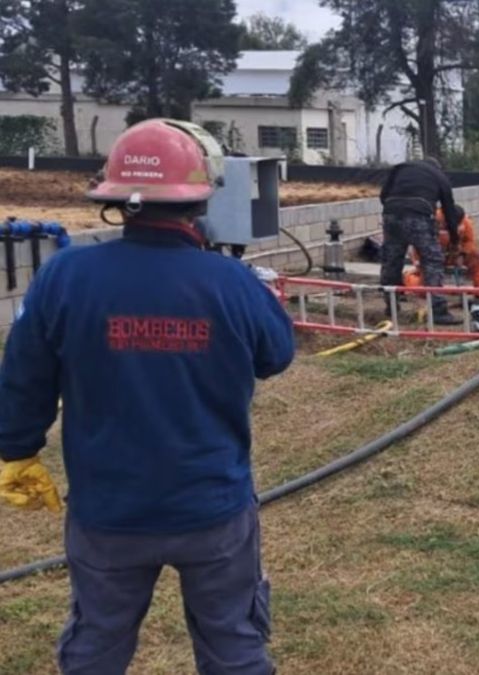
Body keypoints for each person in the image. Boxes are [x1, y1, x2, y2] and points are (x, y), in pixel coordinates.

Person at [0, 119, 295, 674]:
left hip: (108, 512)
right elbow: (276, 355)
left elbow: (24, 374)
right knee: (234, 646)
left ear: (116, 198)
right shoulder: (232, 283)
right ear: (203, 192)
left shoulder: (65, 274)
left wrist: (16, 448)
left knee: (96, 648)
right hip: (212, 509)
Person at [379, 157, 462, 324]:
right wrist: (454, 238)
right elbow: (449, 210)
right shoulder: (440, 177)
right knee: (432, 261)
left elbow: (383, 195)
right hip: (419, 216)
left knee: (391, 260)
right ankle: (438, 311)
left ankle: (391, 306)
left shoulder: (400, 168)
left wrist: (395, 210)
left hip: (391, 214)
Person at [409, 205, 479, 288]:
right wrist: (418, 260)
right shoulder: (431, 220)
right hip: (432, 257)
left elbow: (469, 241)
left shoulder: (465, 222)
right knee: (424, 289)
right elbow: (419, 243)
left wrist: (463, 254)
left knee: (475, 256)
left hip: (454, 254)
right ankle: (409, 278)